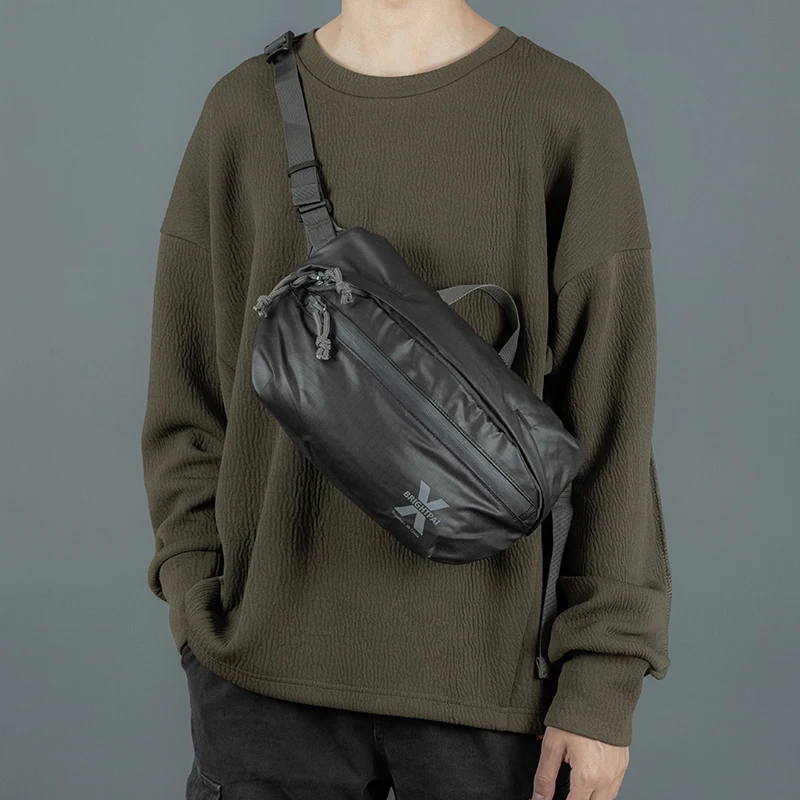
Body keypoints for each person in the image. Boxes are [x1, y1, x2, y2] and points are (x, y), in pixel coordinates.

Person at [140, 2, 672, 799]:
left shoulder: (566, 114)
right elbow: (186, 400)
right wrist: (196, 595)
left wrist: (602, 678)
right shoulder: (241, 112)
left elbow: (612, 425)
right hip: (261, 681)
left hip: (495, 698)